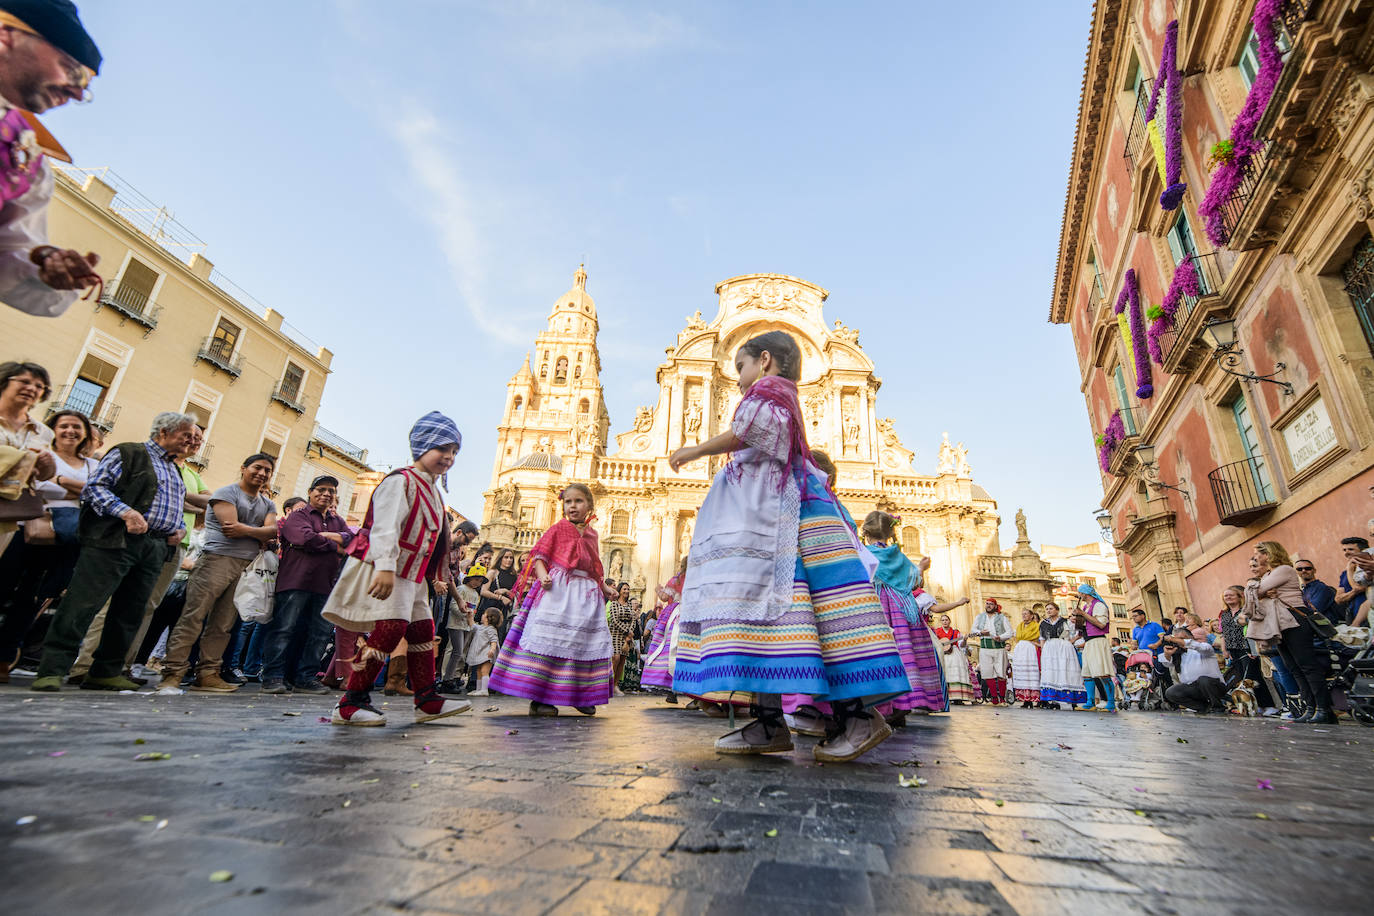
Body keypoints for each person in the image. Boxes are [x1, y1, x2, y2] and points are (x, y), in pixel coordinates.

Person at [667, 331, 910, 761]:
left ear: (764, 361)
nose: (738, 380)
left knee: (819, 612)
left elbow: (749, 431)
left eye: (739, 367)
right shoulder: (774, 393)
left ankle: (856, 717)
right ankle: (769, 723)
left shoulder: (771, 392)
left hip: (785, 513)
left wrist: (694, 450)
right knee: (776, 617)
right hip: (768, 512)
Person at [318, 412, 469, 726]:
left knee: (422, 630)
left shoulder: (432, 492)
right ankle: (350, 703)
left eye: (454, 451)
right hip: (391, 569)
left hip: (412, 576)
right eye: (443, 448)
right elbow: (384, 527)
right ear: (423, 446)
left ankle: (426, 699)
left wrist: (432, 576)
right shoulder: (401, 481)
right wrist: (385, 568)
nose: (449, 457)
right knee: (390, 630)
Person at [29, 411, 194, 690]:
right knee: (83, 603)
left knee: (130, 611)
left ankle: (105, 671)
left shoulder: (174, 468)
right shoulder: (129, 452)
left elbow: (174, 506)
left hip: (154, 547)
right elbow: (96, 488)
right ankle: (52, 669)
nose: (192, 441)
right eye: (186, 435)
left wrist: (178, 528)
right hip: (114, 540)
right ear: (164, 432)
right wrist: (127, 513)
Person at [0, 0, 103, 317]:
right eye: (73, 70)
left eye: (84, 85)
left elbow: (8, 250)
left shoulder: (27, 162)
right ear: (7, 34)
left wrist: (43, 265)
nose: (75, 93)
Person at [488, 483, 617, 715]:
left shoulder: (592, 534)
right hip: (559, 590)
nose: (572, 506)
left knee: (582, 643)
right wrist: (543, 575)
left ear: (589, 505)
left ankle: (580, 695)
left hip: (586, 594)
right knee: (552, 640)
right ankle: (540, 699)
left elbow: (595, 569)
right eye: (568, 502)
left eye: (578, 501)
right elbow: (540, 556)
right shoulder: (558, 528)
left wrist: (605, 589)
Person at [155, 453, 278, 694]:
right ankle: (173, 673)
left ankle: (208, 674)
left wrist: (246, 528)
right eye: (257, 467)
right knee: (193, 617)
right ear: (243, 468)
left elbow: (272, 532)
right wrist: (259, 531)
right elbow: (229, 528)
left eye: (267, 470)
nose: (262, 473)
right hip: (216, 560)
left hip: (246, 566)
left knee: (223, 624)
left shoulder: (268, 504)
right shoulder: (226, 493)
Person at [0, 405, 90, 681]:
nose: (70, 431)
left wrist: (58, 479)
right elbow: (29, 480)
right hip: (28, 528)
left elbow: (97, 491)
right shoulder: (44, 454)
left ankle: (3, 659)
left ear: (85, 433)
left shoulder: (93, 465)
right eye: (64, 426)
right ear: (54, 430)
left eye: (76, 426)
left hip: (66, 538)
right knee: (3, 586)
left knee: (33, 597)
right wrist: (74, 487)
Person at [859, 510, 953, 724]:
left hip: (876, 606)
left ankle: (883, 704)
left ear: (866, 532)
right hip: (903, 610)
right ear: (889, 533)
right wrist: (921, 567)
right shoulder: (897, 555)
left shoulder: (863, 553)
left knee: (880, 653)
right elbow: (914, 581)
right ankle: (905, 703)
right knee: (906, 653)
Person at [259, 476, 351, 694]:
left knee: (319, 634)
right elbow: (305, 539)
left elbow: (353, 542)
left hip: (326, 585)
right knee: (283, 629)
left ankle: (305, 678)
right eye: (321, 489)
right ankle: (273, 677)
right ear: (310, 492)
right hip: (295, 581)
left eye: (331, 491)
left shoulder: (337, 520)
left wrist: (329, 537)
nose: (326, 494)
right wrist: (336, 544)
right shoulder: (298, 515)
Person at [1243, 540, 1335, 723]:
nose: (1255, 558)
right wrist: (1258, 591)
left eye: (1257, 554)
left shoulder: (1284, 570)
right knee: (1293, 668)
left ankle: (1325, 710)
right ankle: (1310, 708)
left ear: (1268, 554)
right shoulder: (1269, 574)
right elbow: (1253, 595)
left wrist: (1258, 590)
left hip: (1294, 621)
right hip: (1280, 623)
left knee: (1307, 666)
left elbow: (1255, 591)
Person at [0, 360, 55, 556]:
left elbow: (43, 475)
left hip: (6, 512)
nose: (31, 388)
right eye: (24, 381)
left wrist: (47, 466)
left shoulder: (44, 433)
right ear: (5, 381)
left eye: (39, 386)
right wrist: (23, 461)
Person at [1217, 584, 1279, 717]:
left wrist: (1252, 648)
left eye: (1231, 595)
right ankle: (1256, 705)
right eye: (1226, 596)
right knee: (1242, 680)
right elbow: (1223, 634)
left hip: (1246, 649)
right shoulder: (1224, 614)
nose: (1228, 598)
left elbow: (1252, 629)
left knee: (1254, 677)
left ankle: (1268, 704)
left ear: (1239, 597)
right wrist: (1225, 651)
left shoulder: (1245, 610)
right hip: (1233, 650)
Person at [640, 557, 686, 698]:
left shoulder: (676, 579)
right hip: (688, 613)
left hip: (673, 616)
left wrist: (658, 590)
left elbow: (665, 598)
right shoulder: (694, 578)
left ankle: (668, 687)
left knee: (666, 649)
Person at [440, 563, 483, 692]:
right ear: (469, 578)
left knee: (461, 652)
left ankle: (454, 676)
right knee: (454, 650)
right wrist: (465, 613)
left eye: (480, 581)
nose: (477, 583)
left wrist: (471, 618)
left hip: (467, 626)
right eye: (476, 579)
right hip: (456, 624)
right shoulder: (461, 589)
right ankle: (445, 677)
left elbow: (474, 609)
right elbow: (454, 606)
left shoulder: (475, 594)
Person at [1161, 630, 1226, 713]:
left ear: (1191, 638)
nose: (1178, 641)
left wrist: (1173, 639)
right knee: (1171, 692)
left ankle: (1218, 707)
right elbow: (1167, 664)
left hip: (1214, 686)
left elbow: (1198, 646)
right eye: (1177, 639)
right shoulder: (1179, 654)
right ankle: (1203, 707)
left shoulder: (1204, 647)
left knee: (1203, 680)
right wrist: (1167, 654)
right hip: (1194, 687)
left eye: (1181, 638)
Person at [1075, 584, 1116, 711]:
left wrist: (1082, 614)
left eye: (1080, 593)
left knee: (1103, 672)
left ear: (1085, 594)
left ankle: (1111, 703)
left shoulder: (1098, 605)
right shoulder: (1086, 607)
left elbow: (1101, 624)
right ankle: (1090, 702)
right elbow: (1087, 623)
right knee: (1087, 673)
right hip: (1089, 642)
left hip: (1098, 641)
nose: (1079, 596)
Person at [1038, 602, 1086, 708]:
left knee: (1066, 670)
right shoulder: (1043, 623)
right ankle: (1052, 700)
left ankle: (1072, 699)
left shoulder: (1065, 621)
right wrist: (1043, 652)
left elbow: (1078, 633)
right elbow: (1042, 638)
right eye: (1047, 609)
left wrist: (1070, 642)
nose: (1049, 611)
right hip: (1049, 648)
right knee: (1052, 672)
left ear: (1057, 610)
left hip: (1064, 647)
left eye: (1051, 608)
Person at [970, 599, 1013, 705]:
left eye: (991, 604)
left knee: (1001, 673)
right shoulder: (979, 617)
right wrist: (980, 632)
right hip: (985, 648)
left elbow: (1009, 632)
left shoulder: (1002, 617)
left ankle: (1002, 699)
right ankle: (994, 698)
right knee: (988, 673)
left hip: (999, 647)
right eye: (987, 604)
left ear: (995, 606)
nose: (988, 606)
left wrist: (1001, 637)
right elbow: (973, 630)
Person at [934, 613, 978, 704]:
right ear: (941, 622)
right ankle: (945, 696)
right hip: (942, 654)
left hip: (954, 653)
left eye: (946, 620)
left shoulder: (956, 632)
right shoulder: (937, 632)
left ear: (950, 621)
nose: (945, 621)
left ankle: (958, 697)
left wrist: (965, 640)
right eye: (943, 620)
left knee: (957, 673)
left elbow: (961, 645)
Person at [605, 580, 636, 696]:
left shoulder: (629, 606)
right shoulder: (614, 604)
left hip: (626, 637)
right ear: (619, 590)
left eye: (628, 589)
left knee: (622, 661)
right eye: (624, 589)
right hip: (615, 634)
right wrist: (627, 631)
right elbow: (614, 620)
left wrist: (630, 633)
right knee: (615, 659)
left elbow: (633, 619)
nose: (627, 591)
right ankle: (608, 684)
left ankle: (615, 685)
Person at [1010, 607, 1042, 708]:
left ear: (1032, 615)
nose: (1024, 615)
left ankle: (1032, 698)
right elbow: (1017, 637)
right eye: (1022, 614)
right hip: (1020, 649)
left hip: (1030, 649)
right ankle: (1024, 698)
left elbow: (1036, 636)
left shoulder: (1036, 626)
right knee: (1021, 673)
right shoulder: (1020, 626)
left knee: (1030, 672)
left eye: (1026, 614)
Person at [465, 608, 500, 696]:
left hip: (487, 654)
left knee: (484, 671)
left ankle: (484, 690)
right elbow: (472, 625)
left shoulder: (491, 629)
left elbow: (494, 640)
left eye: (484, 614)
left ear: (489, 618)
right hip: (481, 654)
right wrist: (470, 617)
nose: (482, 615)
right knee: (478, 671)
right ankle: (479, 689)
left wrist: (492, 649)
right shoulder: (481, 627)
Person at [1334, 537, 1369, 625]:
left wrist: (1350, 569)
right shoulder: (1344, 574)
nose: (1346, 552)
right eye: (1344, 550)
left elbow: (1358, 587)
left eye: (1351, 549)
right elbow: (1338, 599)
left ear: (1363, 550)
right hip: (1352, 617)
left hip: (1369, 616)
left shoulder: (1369, 569)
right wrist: (1354, 592)